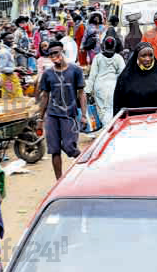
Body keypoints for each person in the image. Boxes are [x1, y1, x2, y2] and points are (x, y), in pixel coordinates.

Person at [39, 41, 87, 180]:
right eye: (51, 54)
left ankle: (86, 166)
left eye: (56, 53)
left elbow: (81, 93)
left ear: (62, 52)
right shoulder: (48, 74)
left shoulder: (75, 70)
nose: (54, 56)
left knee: (69, 147)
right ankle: (59, 181)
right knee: (54, 150)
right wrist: (40, 119)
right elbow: (45, 96)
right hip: (52, 116)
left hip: (69, 115)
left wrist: (83, 115)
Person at [113, 42, 157, 115]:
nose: (148, 59)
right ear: (137, 56)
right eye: (143, 56)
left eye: (150, 55)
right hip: (133, 123)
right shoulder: (125, 78)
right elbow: (117, 105)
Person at [84, 37, 125, 126]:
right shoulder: (118, 58)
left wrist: (88, 91)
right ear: (114, 46)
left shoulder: (97, 57)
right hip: (113, 86)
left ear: (103, 45)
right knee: (111, 108)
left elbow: (93, 75)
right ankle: (110, 127)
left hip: (99, 87)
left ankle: (106, 127)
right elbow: (122, 75)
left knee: (102, 110)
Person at [0, 32, 25, 99]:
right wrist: (15, 69)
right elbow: (1, 68)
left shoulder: (8, 50)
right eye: (9, 39)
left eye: (12, 38)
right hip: (7, 79)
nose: (12, 40)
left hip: (10, 77)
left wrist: (16, 68)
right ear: (4, 40)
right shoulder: (4, 52)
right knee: (12, 99)